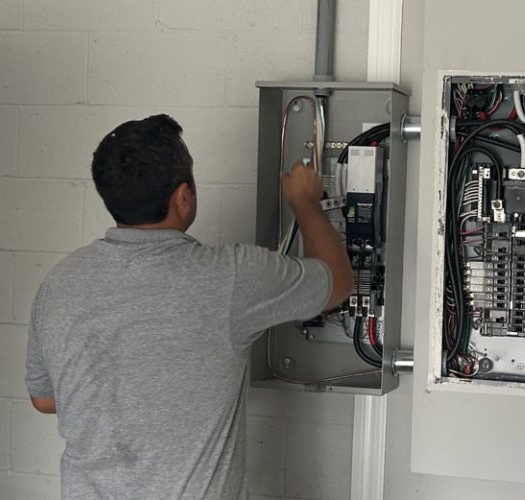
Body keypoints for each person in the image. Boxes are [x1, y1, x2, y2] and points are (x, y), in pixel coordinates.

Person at [25, 114, 352, 500]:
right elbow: (337, 282)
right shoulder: (229, 276)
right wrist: (306, 203)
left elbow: (44, 399)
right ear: (183, 197)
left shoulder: (60, 282)